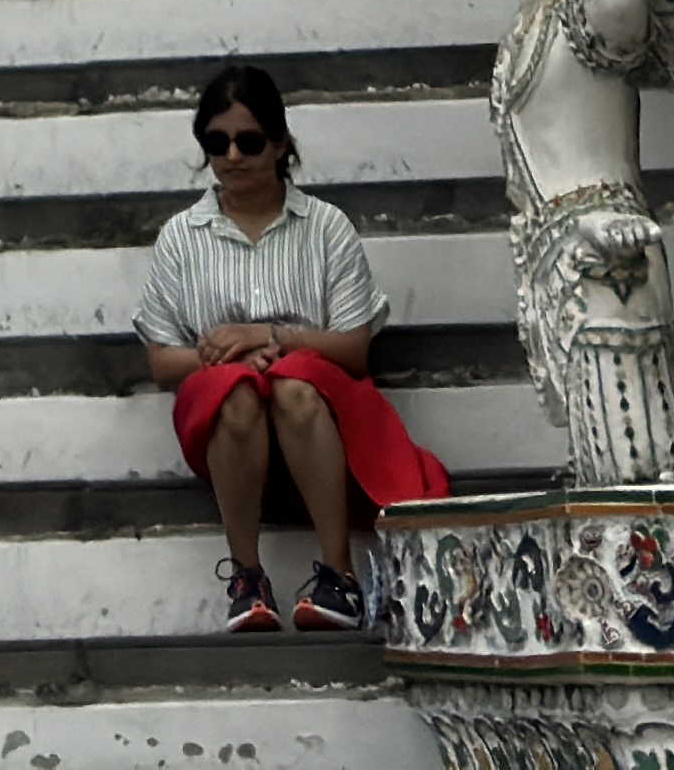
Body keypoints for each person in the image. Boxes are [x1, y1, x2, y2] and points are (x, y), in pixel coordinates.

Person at [138, 55, 445, 631]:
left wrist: (274, 340)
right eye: (216, 142)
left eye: (248, 142)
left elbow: (354, 349)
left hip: (314, 405)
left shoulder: (326, 227)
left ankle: (339, 575)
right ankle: (248, 577)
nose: (231, 157)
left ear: (281, 144)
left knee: (294, 389)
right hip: (229, 414)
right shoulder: (181, 238)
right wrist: (223, 355)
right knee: (234, 391)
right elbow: (162, 360)